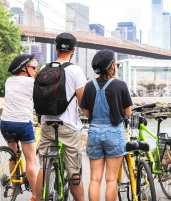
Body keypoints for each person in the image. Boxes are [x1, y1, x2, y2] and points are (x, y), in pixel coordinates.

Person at [35, 32, 86, 201]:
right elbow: (82, 101)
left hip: (47, 123)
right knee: (73, 170)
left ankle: (38, 197)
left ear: (55, 48)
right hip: (68, 126)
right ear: (73, 50)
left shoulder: (44, 69)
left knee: (43, 164)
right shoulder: (76, 71)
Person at [80, 49, 132, 201]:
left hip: (94, 133)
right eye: (115, 63)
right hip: (114, 133)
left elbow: (84, 109)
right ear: (111, 67)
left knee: (95, 179)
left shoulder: (89, 85)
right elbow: (128, 113)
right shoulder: (120, 85)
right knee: (111, 180)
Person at [1, 54, 38, 201]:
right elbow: (40, 100)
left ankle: (14, 189)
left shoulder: (9, 81)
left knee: (13, 154)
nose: (36, 70)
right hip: (23, 123)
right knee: (31, 160)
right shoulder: (32, 82)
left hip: (5, 123)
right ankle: (36, 196)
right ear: (24, 68)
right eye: (34, 67)